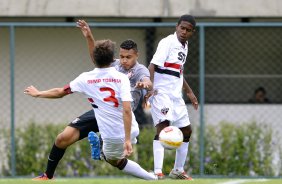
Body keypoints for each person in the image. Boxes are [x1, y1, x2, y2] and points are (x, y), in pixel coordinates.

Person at [26, 20, 152, 180]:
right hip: (100, 111)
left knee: (113, 159)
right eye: (121, 57)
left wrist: (145, 84)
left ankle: (104, 148)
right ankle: (47, 175)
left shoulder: (139, 70)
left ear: (136, 56)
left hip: (120, 117)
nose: (124, 60)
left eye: (128, 57)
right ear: (115, 57)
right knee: (62, 138)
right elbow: (98, 59)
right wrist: (89, 37)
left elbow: (147, 80)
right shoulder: (113, 66)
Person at [147, 14, 198, 180]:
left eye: (188, 30)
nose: (184, 32)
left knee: (186, 131)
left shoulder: (185, 45)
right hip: (162, 93)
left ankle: (178, 170)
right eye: (182, 28)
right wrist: (150, 87)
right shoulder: (167, 42)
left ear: (192, 32)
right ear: (177, 27)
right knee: (163, 127)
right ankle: (157, 172)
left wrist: (189, 92)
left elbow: (178, 71)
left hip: (176, 96)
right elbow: (152, 65)